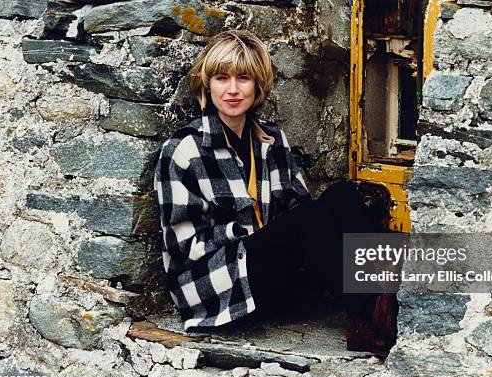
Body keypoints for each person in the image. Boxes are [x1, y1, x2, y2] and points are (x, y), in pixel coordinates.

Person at [153, 30, 398, 355]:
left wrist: (284, 237)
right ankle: (376, 314)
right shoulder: (184, 151)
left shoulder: (271, 138)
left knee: (343, 196)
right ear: (206, 84)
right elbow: (184, 248)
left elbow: (299, 208)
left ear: (258, 84)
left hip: (269, 278)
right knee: (310, 219)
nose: (233, 89)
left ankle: (381, 303)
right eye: (222, 78)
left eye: (244, 78)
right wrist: (250, 234)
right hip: (214, 290)